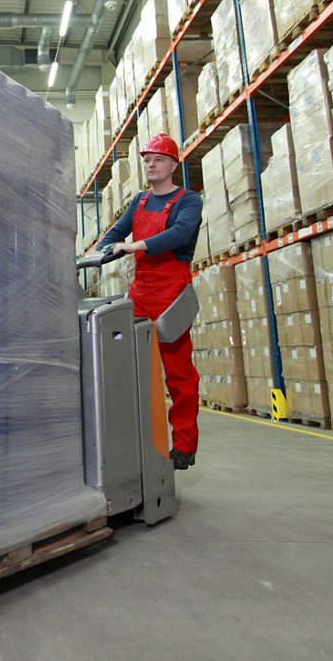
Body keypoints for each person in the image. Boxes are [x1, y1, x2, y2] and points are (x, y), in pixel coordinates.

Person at [97, 134, 204, 470]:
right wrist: (102, 249)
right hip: (141, 292)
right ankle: (137, 442)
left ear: (173, 164)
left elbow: (181, 234)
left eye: (158, 159)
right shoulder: (140, 201)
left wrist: (137, 245)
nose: (151, 164)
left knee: (179, 374)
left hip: (171, 292)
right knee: (129, 369)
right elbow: (116, 232)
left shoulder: (188, 201)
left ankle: (184, 446)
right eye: (147, 160)